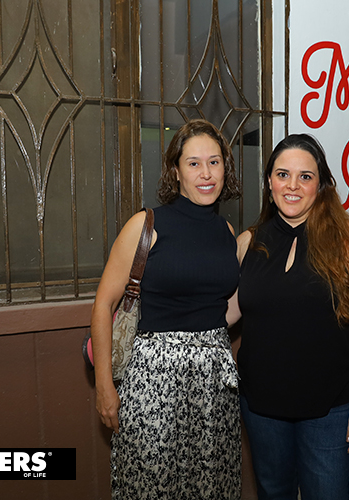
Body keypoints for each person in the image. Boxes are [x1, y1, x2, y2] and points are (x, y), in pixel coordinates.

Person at [91, 119, 242, 500]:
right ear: (175, 171)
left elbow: (219, 308)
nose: (206, 173)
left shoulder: (226, 232)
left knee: (212, 486)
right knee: (151, 486)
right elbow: (104, 304)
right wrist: (105, 386)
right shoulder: (146, 225)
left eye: (214, 162)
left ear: (225, 168)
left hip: (215, 384)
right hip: (154, 381)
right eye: (193, 163)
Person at [227, 133, 349, 500]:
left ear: (321, 185)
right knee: (273, 492)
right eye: (283, 174)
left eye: (305, 177)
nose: (292, 185)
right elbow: (224, 314)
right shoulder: (248, 242)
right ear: (269, 182)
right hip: (261, 405)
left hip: (330, 408)